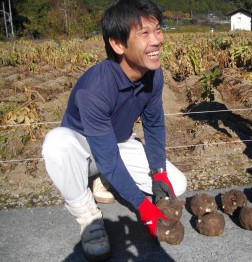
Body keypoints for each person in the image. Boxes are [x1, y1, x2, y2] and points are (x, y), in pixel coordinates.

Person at [41, 0, 187, 260]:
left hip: (118, 143)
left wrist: (159, 171)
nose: (156, 41)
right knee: (56, 142)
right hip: (83, 150)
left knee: (177, 184)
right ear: (118, 44)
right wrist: (142, 206)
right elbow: (106, 157)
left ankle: (105, 180)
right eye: (144, 34)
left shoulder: (153, 74)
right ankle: (88, 217)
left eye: (158, 30)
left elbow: (153, 124)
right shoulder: (95, 89)